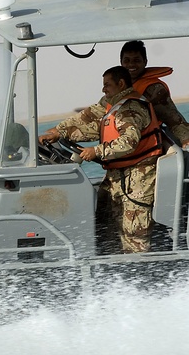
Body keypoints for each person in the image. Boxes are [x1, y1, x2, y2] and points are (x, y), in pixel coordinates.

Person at [38, 66, 163, 253]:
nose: (103, 89)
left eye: (107, 85)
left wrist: (96, 151)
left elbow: (128, 142)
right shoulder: (113, 104)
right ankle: (107, 263)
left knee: (134, 233)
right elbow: (86, 119)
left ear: (121, 84)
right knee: (101, 215)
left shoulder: (130, 108)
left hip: (138, 178)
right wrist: (59, 131)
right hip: (120, 174)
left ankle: (138, 273)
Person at [120, 40, 189, 148]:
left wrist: (186, 141)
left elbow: (174, 120)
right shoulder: (117, 87)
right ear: (121, 62)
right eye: (127, 60)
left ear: (145, 62)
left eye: (136, 60)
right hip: (119, 147)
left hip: (145, 147)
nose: (131, 64)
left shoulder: (154, 89)